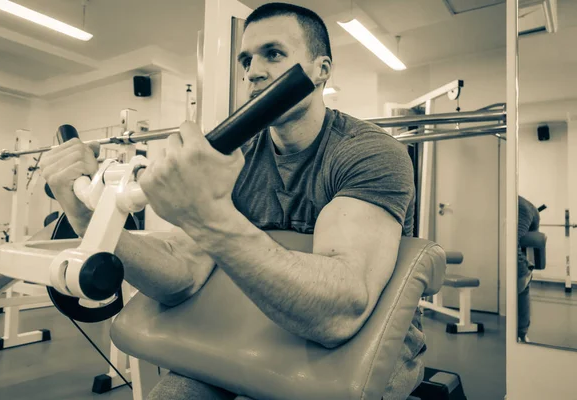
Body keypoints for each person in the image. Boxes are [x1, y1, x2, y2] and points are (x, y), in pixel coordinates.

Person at [39, 3, 420, 399]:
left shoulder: (368, 152)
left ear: (321, 69)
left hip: (357, 355)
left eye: (273, 53)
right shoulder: (237, 157)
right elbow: (182, 277)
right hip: (255, 332)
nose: (253, 71)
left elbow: (340, 314)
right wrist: (88, 218)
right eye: (246, 59)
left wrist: (207, 215)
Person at [517, 195, 540, 343]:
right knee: (521, 278)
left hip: (525, 209)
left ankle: (522, 333)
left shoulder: (521, 206)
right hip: (529, 208)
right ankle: (522, 333)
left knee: (520, 275)